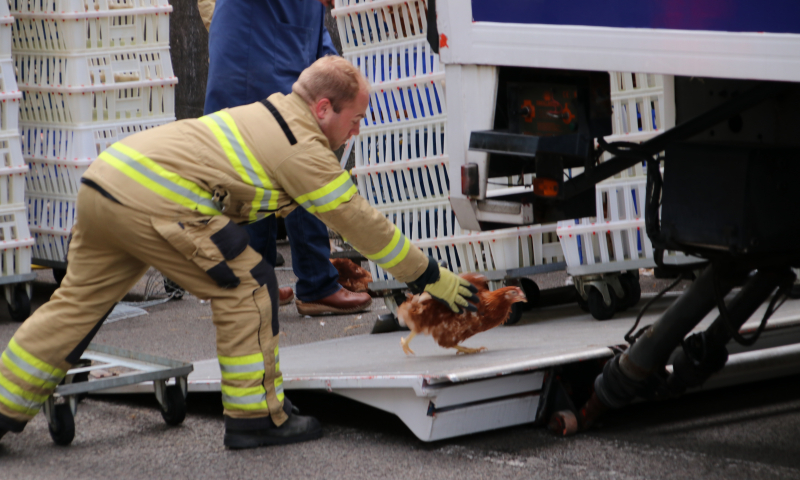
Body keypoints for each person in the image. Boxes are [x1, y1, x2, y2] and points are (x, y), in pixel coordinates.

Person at [0, 57, 478, 449]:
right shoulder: (301, 146)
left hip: (106, 181)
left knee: (74, 306)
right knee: (250, 284)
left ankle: (3, 406)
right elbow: (360, 222)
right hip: (157, 198)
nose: (355, 132)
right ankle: (255, 417)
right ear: (324, 108)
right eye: (355, 121)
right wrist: (431, 276)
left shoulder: (272, 116)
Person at [199, 0, 371, 316]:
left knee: (270, 164)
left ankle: (259, 282)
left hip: (288, 38)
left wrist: (333, 64)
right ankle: (313, 284)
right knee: (290, 153)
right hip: (255, 52)